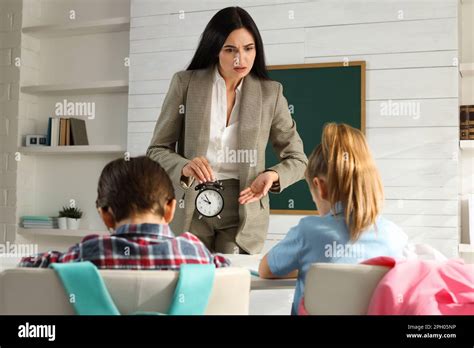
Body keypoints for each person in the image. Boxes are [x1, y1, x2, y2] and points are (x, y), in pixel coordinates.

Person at [146, 6, 307, 255]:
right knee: (193, 284)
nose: (239, 59)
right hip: (191, 205)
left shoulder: (270, 94)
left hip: (243, 208)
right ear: (215, 50)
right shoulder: (185, 84)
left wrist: (273, 176)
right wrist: (184, 167)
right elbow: (156, 150)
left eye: (248, 49)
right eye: (230, 49)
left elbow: (298, 160)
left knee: (229, 283)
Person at [258, 123, 408, 315]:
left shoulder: (308, 231)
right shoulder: (395, 237)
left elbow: (266, 270)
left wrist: (306, 264)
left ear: (320, 187)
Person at [19, 156, 230, 269]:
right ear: (170, 209)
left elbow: (30, 263)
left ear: (105, 215)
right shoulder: (195, 253)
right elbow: (224, 265)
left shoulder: (88, 253)